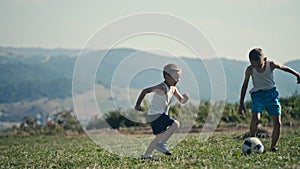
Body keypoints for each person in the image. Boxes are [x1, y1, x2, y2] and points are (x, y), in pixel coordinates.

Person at [238, 48, 300, 152]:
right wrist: (241, 104)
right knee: (256, 119)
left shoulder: (271, 65)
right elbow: (244, 86)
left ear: (265, 59)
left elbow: (284, 68)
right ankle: (252, 141)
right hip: (257, 95)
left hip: (271, 95)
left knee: (278, 123)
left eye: (258, 65)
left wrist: (297, 74)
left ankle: (273, 147)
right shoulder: (250, 70)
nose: (256, 67)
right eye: (253, 65)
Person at [135, 64, 189, 159]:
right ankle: (161, 144)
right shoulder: (162, 87)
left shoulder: (173, 88)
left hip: (157, 114)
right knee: (176, 124)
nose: (178, 80)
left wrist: (186, 98)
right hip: (156, 114)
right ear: (167, 77)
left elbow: (181, 100)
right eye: (176, 77)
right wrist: (138, 104)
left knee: (159, 136)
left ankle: (146, 155)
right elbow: (145, 91)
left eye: (179, 78)